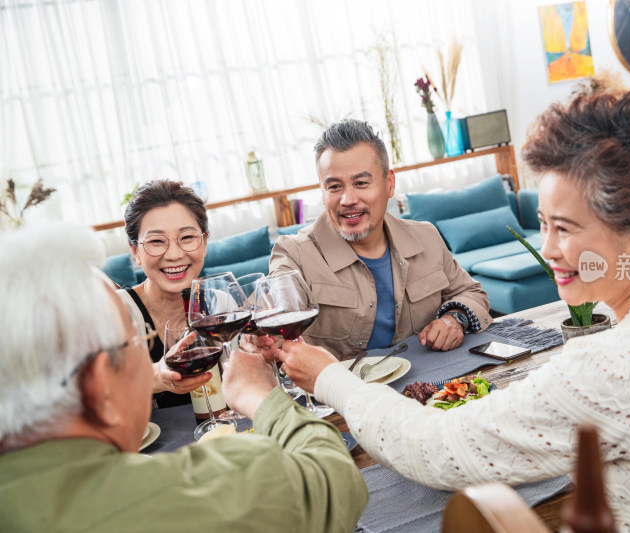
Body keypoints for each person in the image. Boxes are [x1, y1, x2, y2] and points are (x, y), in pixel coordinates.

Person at [273, 90, 630, 531]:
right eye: (542, 224)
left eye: (564, 228)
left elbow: (434, 448)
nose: (548, 249)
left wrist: (331, 379)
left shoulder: (612, 366)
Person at [0, 222, 367, 532]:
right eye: (135, 344)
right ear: (99, 385)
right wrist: (263, 397)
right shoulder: (185, 492)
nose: (174, 253)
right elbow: (336, 480)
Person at [268, 119, 491, 359]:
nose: (347, 199)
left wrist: (454, 319)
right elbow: (274, 317)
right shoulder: (293, 254)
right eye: (334, 187)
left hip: (430, 385)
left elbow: (473, 294)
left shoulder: (426, 236)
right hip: (339, 393)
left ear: (389, 184)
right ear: (322, 193)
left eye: (361, 183)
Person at [119, 179, 212, 407]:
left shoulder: (221, 302)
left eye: (187, 237)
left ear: (205, 241)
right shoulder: (116, 312)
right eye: (157, 241)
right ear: (135, 252)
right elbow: (89, 390)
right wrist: (157, 376)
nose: (173, 255)